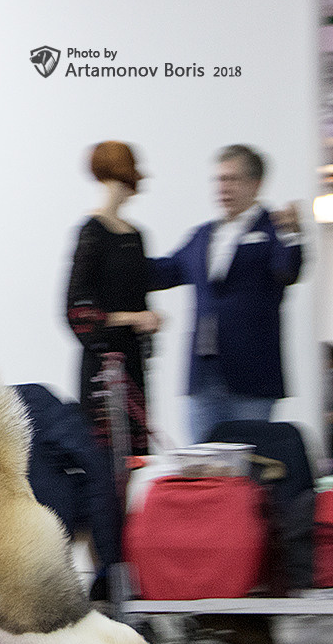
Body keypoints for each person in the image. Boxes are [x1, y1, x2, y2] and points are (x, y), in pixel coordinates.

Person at [150, 144, 303, 444]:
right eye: (219, 179)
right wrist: (120, 249)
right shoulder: (203, 236)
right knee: (204, 476)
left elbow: (288, 271)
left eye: (232, 179)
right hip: (204, 380)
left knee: (250, 473)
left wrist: (293, 234)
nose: (223, 187)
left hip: (252, 380)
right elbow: (164, 272)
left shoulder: (273, 230)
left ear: (255, 184)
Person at [66, 141, 162, 458]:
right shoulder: (91, 232)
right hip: (103, 372)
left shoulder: (136, 235)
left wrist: (145, 319)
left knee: (137, 458)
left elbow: (138, 295)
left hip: (133, 365)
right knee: (106, 461)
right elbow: (76, 309)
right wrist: (136, 318)